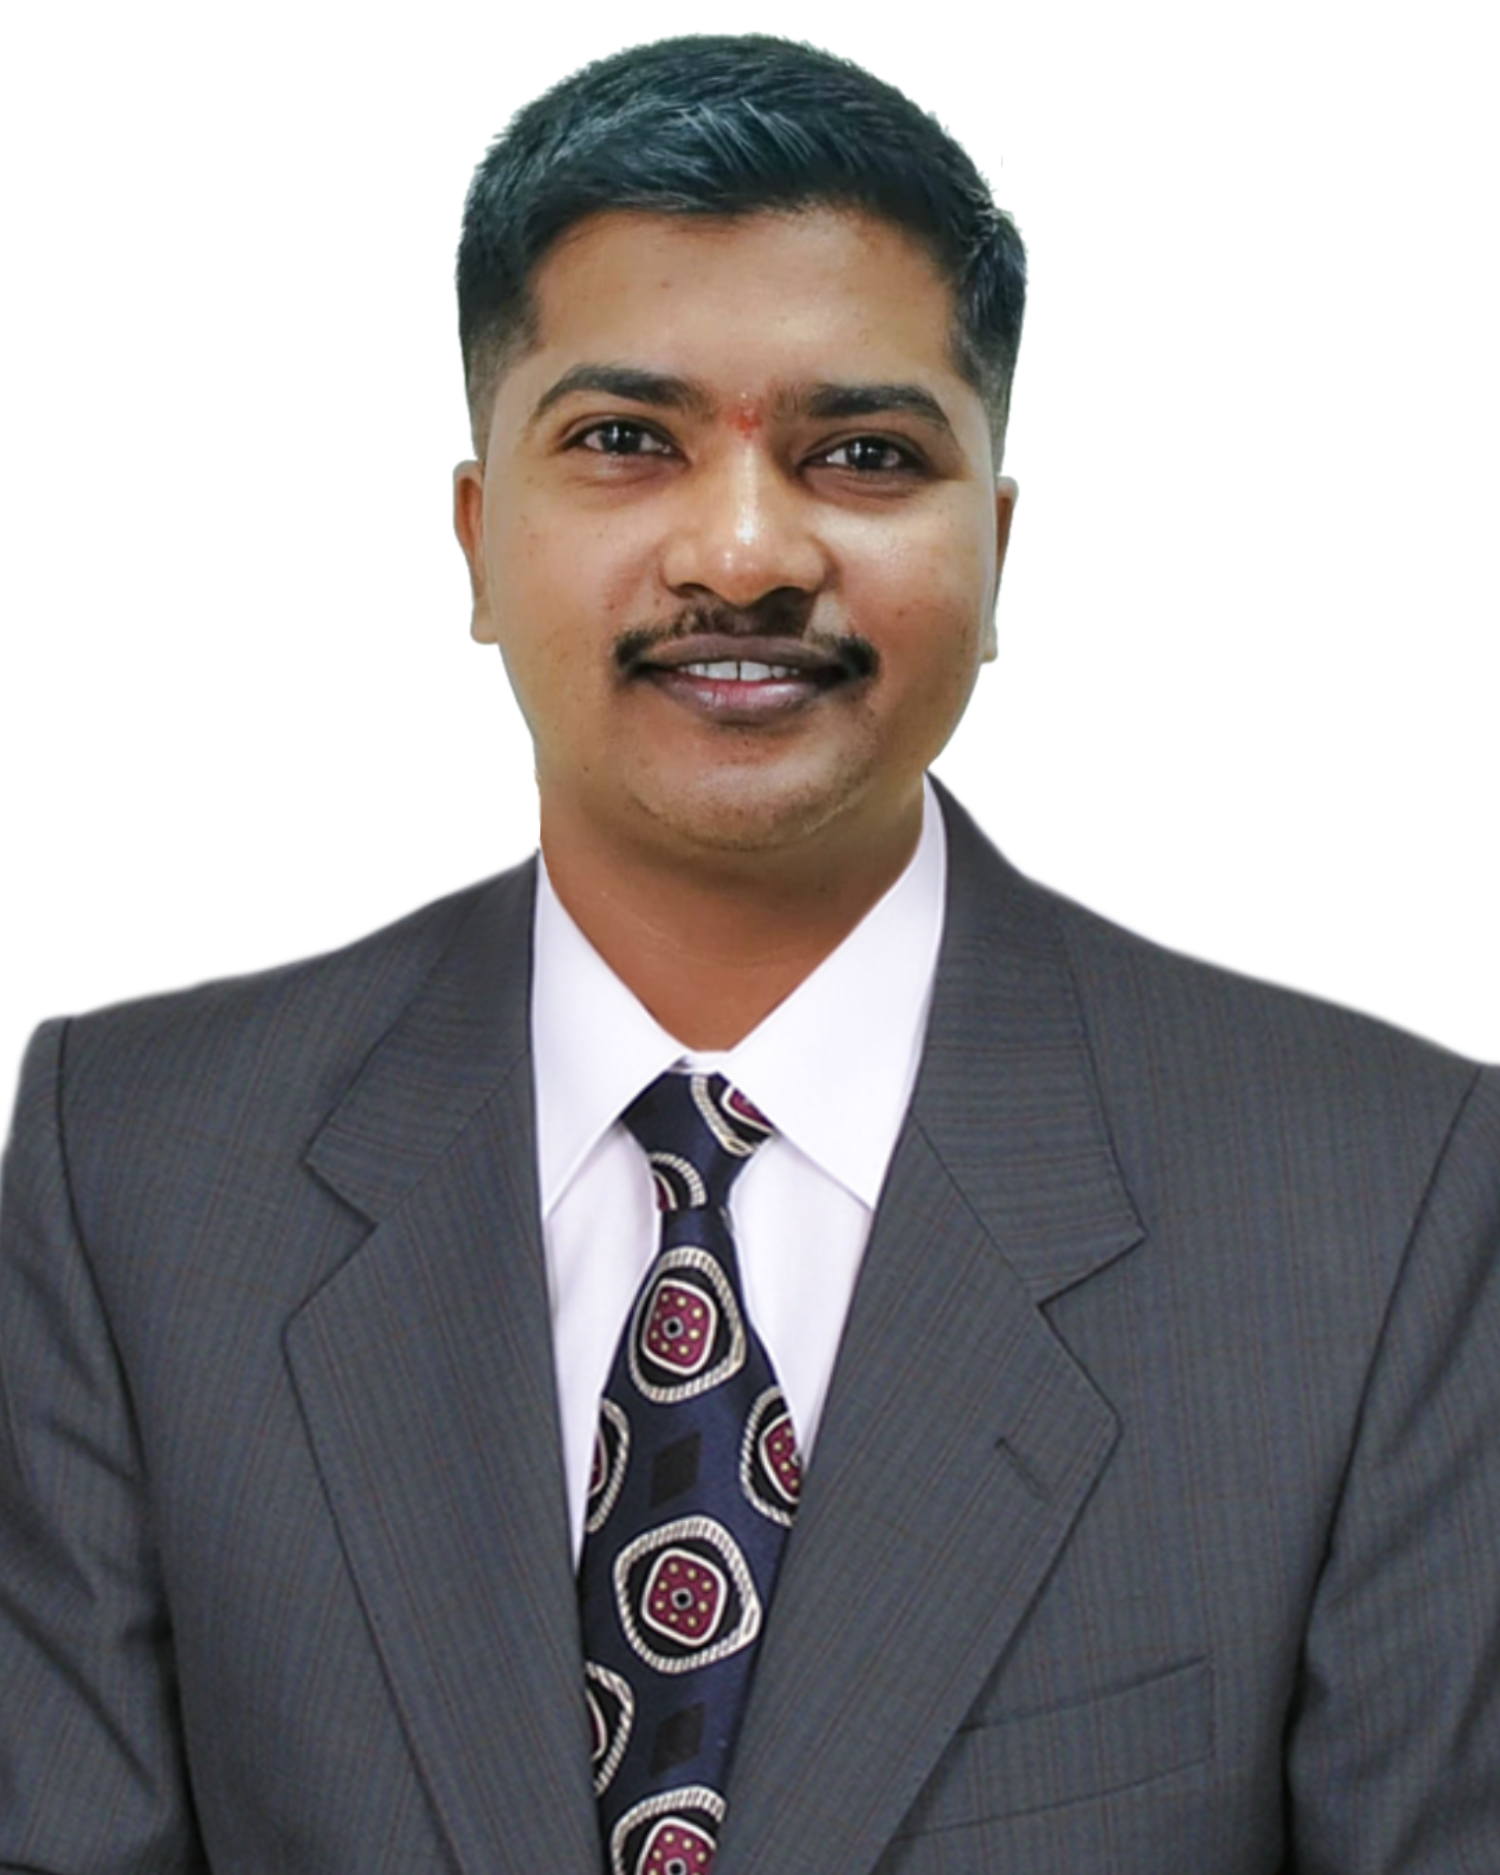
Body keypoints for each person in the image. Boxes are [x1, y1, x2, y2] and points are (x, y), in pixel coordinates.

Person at [1, 31, 1496, 1875]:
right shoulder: (137, 1174)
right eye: (624, 442)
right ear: (477, 539)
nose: (742, 552)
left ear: (995, 550)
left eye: (862, 454)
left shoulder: (1383, 1212)